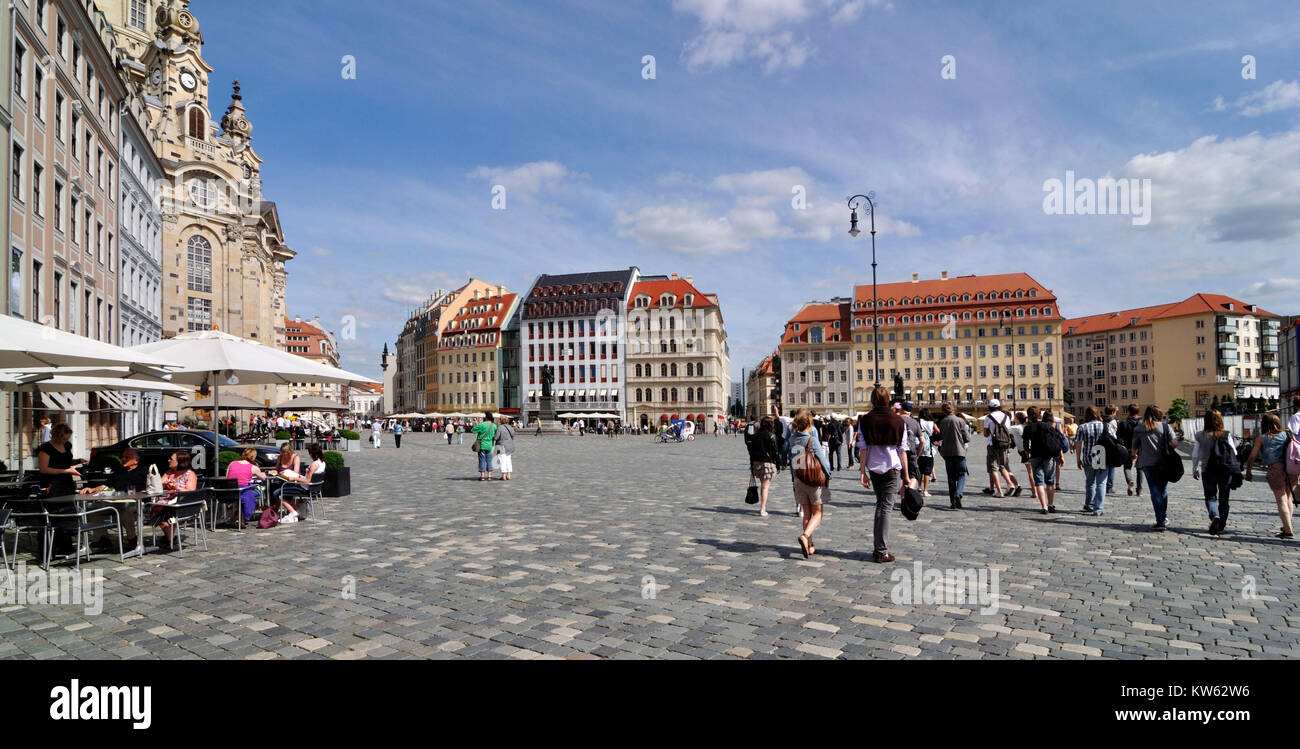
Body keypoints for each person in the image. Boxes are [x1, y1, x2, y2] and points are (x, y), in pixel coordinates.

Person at [857, 386, 910, 563]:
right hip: (892, 469)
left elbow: (863, 448)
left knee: (881, 506)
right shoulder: (898, 421)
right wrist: (907, 475)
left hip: (874, 468)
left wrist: (862, 471)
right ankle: (881, 551)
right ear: (888, 399)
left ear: (873, 400)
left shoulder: (865, 420)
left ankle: (878, 547)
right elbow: (902, 450)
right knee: (885, 508)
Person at [785, 410, 830, 557]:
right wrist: (828, 476)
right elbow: (823, 461)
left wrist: (793, 479)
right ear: (810, 424)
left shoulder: (792, 439)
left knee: (806, 514)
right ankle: (805, 536)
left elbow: (791, 461)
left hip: (799, 479)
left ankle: (809, 545)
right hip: (813, 480)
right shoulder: (812, 440)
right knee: (818, 513)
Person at [1245, 413, 1295, 539]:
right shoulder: (1288, 434)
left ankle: (1288, 530)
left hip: (1276, 469)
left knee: (1281, 499)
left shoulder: (1262, 438)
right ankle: (1286, 525)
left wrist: (1248, 471)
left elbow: (1252, 456)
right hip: (1291, 468)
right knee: (1288, 497)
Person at [1131, 405, 1177, 531]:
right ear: (1159, 415)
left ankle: (1161, 520)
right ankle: (1163, 517)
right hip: (1164, 463)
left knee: (1155, 491)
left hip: (1147, 463)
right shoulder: (1165, 427)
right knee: (1163, 490)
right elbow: (1175, 443)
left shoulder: (1140, 428)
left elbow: (1134, 448)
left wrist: (1134, 455)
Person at [1191, 409, 1237, 536]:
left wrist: (1194, 469)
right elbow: (1234, 452)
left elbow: (1195, 455)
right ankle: (1221, 526)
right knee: (1224, 499)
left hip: (1208, 470)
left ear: (1205, 420)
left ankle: (1214, 515)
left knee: (1210, 497)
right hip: (1225, 470)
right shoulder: (1226, 434)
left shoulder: (1200, 435)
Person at [155, 451, 198, 551]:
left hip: (183, 505)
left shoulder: (189, 474)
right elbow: (158, 484)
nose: (168, 460)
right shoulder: (169, 473)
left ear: (180, 462)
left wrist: (177, 487)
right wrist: (164, 484)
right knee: (156, 508)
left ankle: (169, 539)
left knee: (159, 511)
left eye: (171, 459)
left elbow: (191, 491)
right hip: (170, 503)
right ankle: (171, 538)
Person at [981, 399, 1022, 498]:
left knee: (993, 468)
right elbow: (1008, 431)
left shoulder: (988, 417)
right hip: (1004, 444)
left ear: (989, 407)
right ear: (999, 406)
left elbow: (986, 434)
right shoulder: (1006, 417)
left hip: (993, 444)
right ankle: (1010, 483)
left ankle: (999, 491)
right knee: (1002, 465)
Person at [1073, 407, 1110, 516]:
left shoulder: (1082, 427)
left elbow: (1078, 444)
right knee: (1101, 483)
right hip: (1101, 456)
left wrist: (1078, 459)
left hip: (1088, 457)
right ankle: (1098, 509)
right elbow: (1114, 438)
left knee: (1090, 483)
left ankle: (1089, 505)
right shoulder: (1105, 425)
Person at [280, 443, 327, 521]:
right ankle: (294, 511)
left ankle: (293, 512)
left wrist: (295, 478)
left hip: (305, 489)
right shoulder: (322, 463)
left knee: (279, 492)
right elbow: (310, 478)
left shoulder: (314, 465)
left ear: (312, 454)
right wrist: (301, 477)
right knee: (287, 489)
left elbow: (307, 481)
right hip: (315, 488)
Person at [936, 402, 970, 508]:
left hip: (947, 453)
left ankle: (953, 503)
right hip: (959, 451)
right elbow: (967, 438)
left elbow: (940, 436)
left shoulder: (942, 422)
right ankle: (958, 493)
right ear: (953, 409)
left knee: (950, 478)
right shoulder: (960, 421)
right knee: (961, 474)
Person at [747, 416, 781, 517]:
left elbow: (751, 452)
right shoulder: (771, 435)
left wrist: (751, 464)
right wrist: (778, 465)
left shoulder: (755, 436)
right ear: (771, 424)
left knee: (763, 486)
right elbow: (775, 452)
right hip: (768, 463)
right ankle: (763, 508)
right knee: (765, 487)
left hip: (757, 463)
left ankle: (763, 507)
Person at [225, 447, 267, 524]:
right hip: (242, 491)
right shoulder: (253, 467)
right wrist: (264, 474)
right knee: (257, 493)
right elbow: (263, 478)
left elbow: (227, 477)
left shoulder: (232, 463)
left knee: (244, 494)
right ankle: (242, 516)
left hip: (230, 492)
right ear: (253, 457)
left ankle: (237, 515)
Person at [270, 443, 302, 520]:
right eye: (282, 453)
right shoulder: (280, 458)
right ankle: (274, 508)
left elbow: (295, 472)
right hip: (281, 480)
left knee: (278, 491)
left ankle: (291, 510)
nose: (284, 455)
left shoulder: (295, 457)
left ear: (290, 452)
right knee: (272, 487)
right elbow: (277, 469)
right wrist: (273, 472)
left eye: (286, 453)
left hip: (293, 481)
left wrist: (287, 472)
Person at [1117, 404, 1143, 496]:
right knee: (1140, 469)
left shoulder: (1123, 422)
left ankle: (1130, 481)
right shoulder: (1142, 422)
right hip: (1140, 449)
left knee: (1127, 467)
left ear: (1128, 411)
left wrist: (1124, 446)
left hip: (1127, 448)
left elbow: (1119, 437)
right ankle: (1139, 490)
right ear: (1138, 411)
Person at [917, 408, 938, 498]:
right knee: (927, 472)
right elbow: (938, 431)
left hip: (919, 449)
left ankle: (918, 487)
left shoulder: (918, 422)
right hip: (928, 451)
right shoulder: (932, 423)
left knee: (919, 471)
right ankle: (925, 491)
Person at [472, 412, 498, 481]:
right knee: (489, 460)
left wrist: (479, 424)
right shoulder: (494, 425)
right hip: (490, 445)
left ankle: (482, 476)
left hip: (482, 445)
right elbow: (496, 434)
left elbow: (473, 430)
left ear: (485, 417)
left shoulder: (482, 425)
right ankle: (489, 476)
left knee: (482, 460)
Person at [494, 416, 515, 480]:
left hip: (501, 446)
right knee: (508, 460)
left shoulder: (500, 427)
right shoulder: (510, 427)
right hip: (509, 446)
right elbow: (513, 435)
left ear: (501, 421)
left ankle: (503, 476)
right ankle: (508, 475)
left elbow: (496, 437)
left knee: (502, 460)